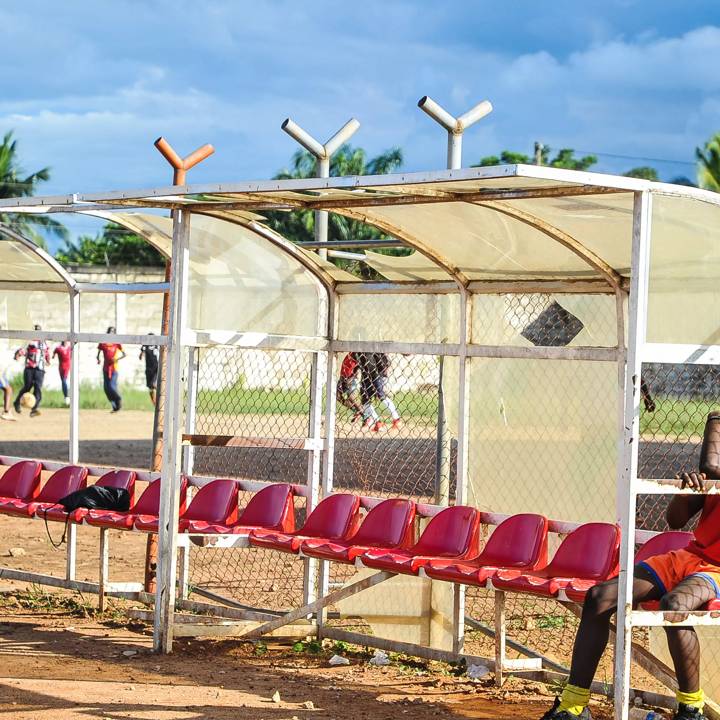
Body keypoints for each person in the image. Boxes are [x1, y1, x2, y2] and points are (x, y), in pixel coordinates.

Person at [542, 412, 720, 720]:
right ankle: (573, 705)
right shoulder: (717, 470)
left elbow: (712, 462)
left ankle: (691, 708)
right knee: (600, 597)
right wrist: (690, 488)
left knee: (673, 604)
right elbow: (675, 520)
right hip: (688, 556)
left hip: (716, 569)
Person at [356, 352, 402, 432]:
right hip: (367, 376)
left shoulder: (372, 349)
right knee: (365, 400)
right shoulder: (362, 351)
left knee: (381, 396)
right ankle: (378, 423)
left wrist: (381, 373)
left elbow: (384, 362)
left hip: (375, 374)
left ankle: (396, 419)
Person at [13, 324, 50, 417]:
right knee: (27, 386)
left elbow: (46, 352)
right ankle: (17, 402)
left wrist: (48, 360)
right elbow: (22, 350)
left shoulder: (44, 342)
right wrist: (17, 355)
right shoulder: (29, 342)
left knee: (38, 388)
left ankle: (35, 408)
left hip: (40, 369)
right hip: (30, 368)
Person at [96, 327, 126, 412]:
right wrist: (98, 359)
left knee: (112, 386)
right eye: (109, 332)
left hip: (114, 368)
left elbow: (124, 354)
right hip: (106, 368)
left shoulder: (116, 343)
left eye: (112, 333)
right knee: (106, 388)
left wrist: (116, 359)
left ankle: (119, 399)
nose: (110, 334)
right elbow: (98, 353)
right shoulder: (103, 343)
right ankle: (114, 405)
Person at [336, 353, 363, 421]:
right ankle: (355, 411)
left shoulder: (357, 353)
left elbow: (359, 365)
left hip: (350, 378)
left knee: (351, 397)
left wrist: (353, 376)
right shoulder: (350, 353)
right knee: (337, 396)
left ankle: (364, 415)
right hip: (343, 378)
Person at [139, 333, 159, 406]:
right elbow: (141, 355)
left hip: (156, 368)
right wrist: (142, 354)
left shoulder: (157, 345)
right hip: (148, 369)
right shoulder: (145, 345)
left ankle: (161, 397)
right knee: (150, 387)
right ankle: (154, 403)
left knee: (153, 384)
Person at [53, 340, 72, 407]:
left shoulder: (70, 347)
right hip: (61, 366)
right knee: (63, 381)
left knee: (64, 380)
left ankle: (66, 396)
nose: (65, 342)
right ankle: (66, 396)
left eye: (66, 340)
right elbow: (54, 353)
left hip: (67, 366)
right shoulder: (59, 348)